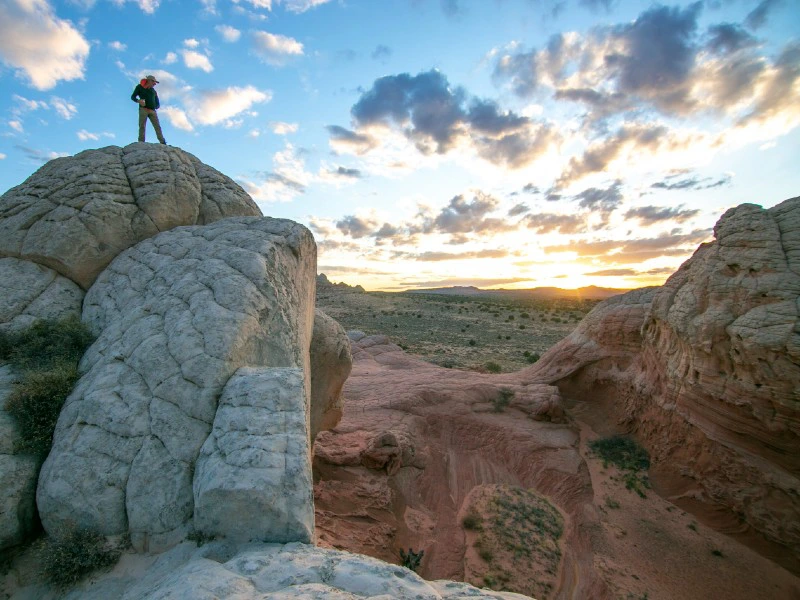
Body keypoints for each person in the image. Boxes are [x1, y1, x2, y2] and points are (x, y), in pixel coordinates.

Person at [131, 74, 166, 144]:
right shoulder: (139, 87)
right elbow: (133, 97)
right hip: (143, 109)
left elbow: (157, 103)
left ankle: (162, 142)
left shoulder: (153, 91)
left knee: (157, 127)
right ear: (149, 81)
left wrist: (155, 106)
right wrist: (138, 101)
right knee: (142, 126)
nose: (154, 84)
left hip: (152, 111)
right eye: (153, 82)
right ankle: (141, 142)